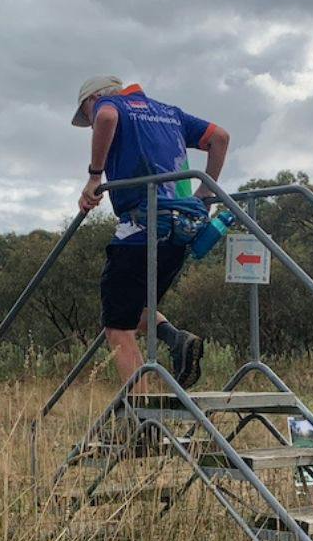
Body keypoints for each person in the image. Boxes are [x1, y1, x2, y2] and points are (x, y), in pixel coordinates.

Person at [73, 75, 230, 388]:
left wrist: (94, 177)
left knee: (117, 327)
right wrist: (206, 192)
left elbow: (106, 117)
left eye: (87, 117)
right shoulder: (170, 113)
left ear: (93, 99)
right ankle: (177, 339)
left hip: (140, 228)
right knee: (137, 308)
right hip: (181, 229)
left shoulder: (111, 104)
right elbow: (220, 138)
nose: (93, 125)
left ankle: (143, 420)